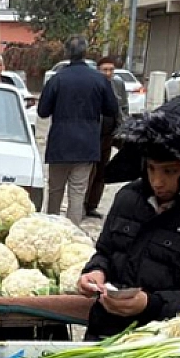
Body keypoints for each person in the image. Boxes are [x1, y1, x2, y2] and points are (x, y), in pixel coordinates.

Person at [76, 113, 180, 339]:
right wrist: (95, 271)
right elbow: (106, 252)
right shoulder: (128, 198)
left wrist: (151, 305)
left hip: (163, 347)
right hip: (104, 333)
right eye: (151, 168)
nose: (157, 181)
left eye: (170, 171)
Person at [37, 35, 120, 225]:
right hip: (87, 144)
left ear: (67, 53)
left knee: (55, 192)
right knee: (78, 192)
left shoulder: (57, 79)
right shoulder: (100, 80)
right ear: (85, 52)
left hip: (60, 144)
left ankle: (52, 229)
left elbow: (42, 112)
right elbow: (112, 110)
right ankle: (72, 233)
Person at [83, 55, 129, 219]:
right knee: (88, 171)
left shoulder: (118, 84)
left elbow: (123, 107)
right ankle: (81, 203)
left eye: (111, 70)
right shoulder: (92, 85)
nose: (108, 73)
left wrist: (122, 128)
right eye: (105, 70)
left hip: (109, 134)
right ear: (98, 70)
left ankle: (92, 205)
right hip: (93, 134)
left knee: (102, 171)